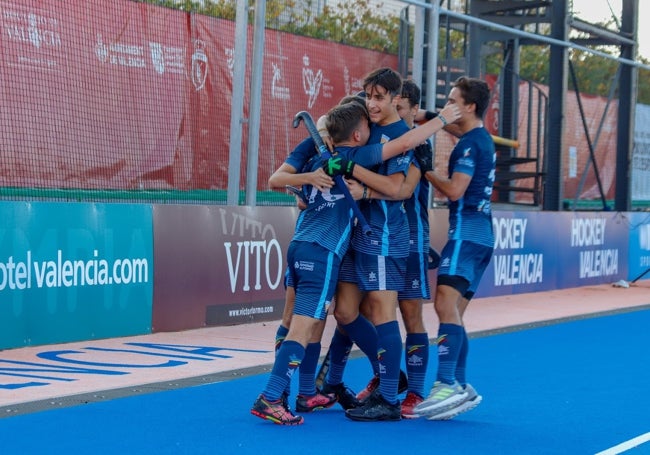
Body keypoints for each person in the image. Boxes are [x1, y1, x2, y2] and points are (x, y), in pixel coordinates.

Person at [252, 98, 458, 425]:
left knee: (298, 322)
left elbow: (284, 185)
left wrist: (307, 179)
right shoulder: (356, 156)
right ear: (359, 135)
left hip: (300, 245)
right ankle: (272, 396)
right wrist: (442, 120)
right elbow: (404, 144)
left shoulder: (316, 154)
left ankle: (301, 393)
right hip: (323, 253)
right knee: (302, 328)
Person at [412, 76, 496, 420]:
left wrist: (425, 170)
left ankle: (446, 382)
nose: (447, 105)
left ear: (469, 105)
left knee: (444, 303)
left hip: (466, 233)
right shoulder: (479, 138)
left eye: (452, 100)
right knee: (454, 314)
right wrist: (431, 116)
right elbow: (456, 130)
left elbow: (455, 190)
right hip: (481, 236)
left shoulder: (469, 146)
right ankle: (460, 385)